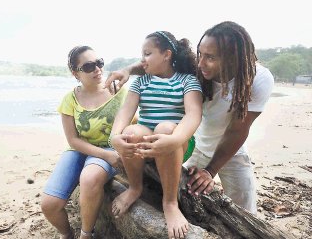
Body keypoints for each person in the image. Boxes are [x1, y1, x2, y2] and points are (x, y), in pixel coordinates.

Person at [105, 21, 274, 215]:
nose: (201, 63)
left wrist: (211, 171)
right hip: (193, 140)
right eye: (200, 54)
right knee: (183, 192)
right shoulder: (198, 69)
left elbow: (238, 130)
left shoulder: (257, 79)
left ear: (231, 58)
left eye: (210, 57)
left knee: (245, 205)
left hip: (230, 148)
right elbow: (159, 65)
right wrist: (127, 70)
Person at [109, 31, 203, 239]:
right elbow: (125, 112)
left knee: (166, 129)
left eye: (147, 53)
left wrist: (175, 139)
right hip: (146, 144)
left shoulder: (187, 81)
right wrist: (115, 137)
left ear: (167, 54)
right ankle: (135, 187)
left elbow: (193, 115)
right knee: (131, 132)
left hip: (177, 144)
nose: (142, 59)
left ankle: (170, 202)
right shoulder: (141, 82)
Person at [41, 46, 127, 239]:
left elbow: (135, 121)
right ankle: (66, 234)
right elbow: (72, 139)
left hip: (109, 147)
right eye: (88, 66)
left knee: (89, 179)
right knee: (49, 205)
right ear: (75, 73)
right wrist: (105, 155)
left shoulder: (118, 92)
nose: (97, 69)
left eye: (99, 63)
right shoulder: (69, 99)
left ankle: (86, 234)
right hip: (80, 150)